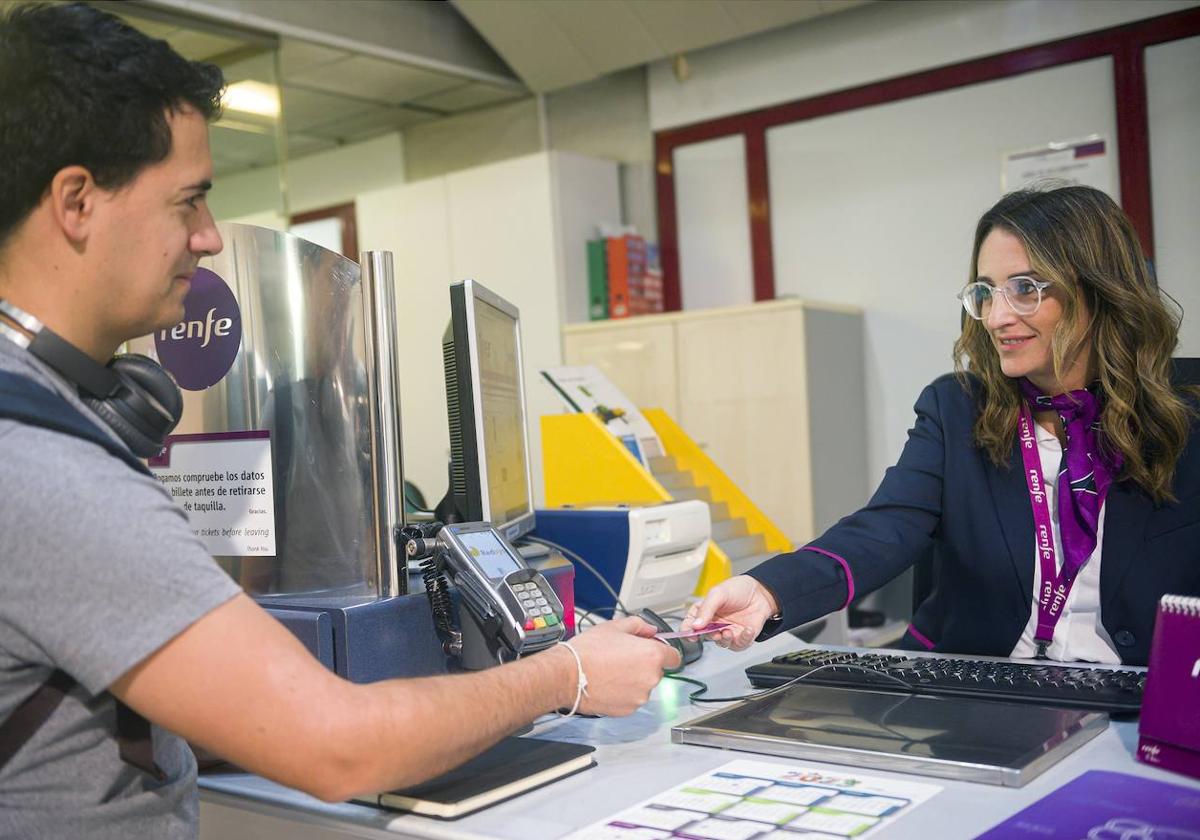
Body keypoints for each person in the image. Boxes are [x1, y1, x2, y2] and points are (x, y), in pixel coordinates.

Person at [0, 4, 678, 839]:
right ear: (76, 202)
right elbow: (336, 750)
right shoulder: (51, 471)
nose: (209, 240)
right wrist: (567, 675)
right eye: (189, 203)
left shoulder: (42, 423)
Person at [684, 184, 1199, 667]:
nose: (997, 317)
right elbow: (885, 527)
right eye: (987, 292)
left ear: (1099, 291)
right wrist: (768, 591)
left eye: (1025, 289)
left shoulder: (1187, 416)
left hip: (1140, 700)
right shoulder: (958, 409)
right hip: (982, 688)